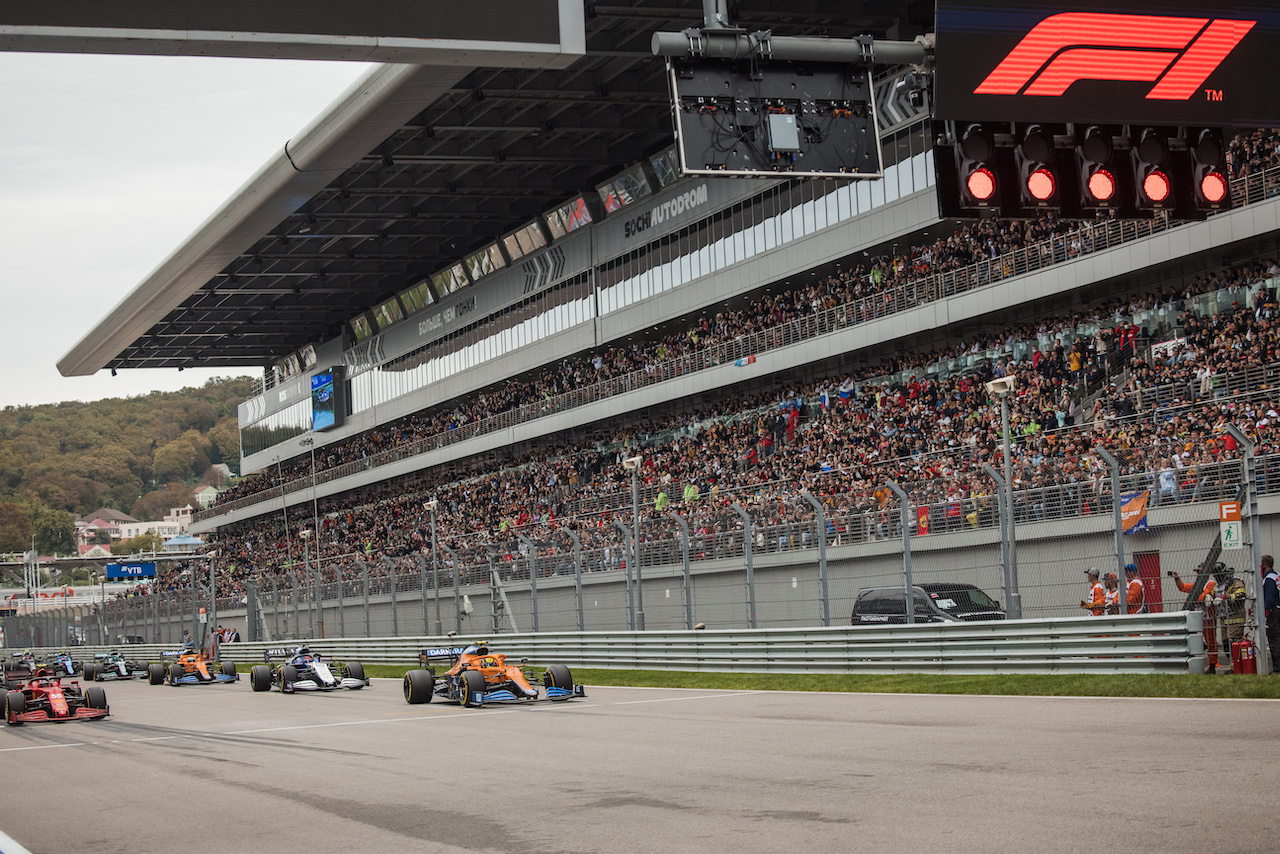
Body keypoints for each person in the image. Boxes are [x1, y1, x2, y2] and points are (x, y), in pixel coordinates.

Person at [1171, 564, 1219, 673]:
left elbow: (1204, 596)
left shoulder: (1210, 583)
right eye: (1197, 573)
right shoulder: (1197, 585)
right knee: (1193, 639)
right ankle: (1198, 655)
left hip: (1208, 618)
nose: (1198, 575)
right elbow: (1182, 587)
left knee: (1211, 642)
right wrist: (1177, 578)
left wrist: (1192, 598)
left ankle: (1212, 665)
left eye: (1200, 573)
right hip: (1197, 618)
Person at [1220, 567, 1247, 654]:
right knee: (1225, 642)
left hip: (1235, 615)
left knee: (1234, 640)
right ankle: (1232, 663)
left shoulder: (1236, 582)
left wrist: (1227, 596)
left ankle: (1237, 664)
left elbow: (1241, 596)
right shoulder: (1218, 585)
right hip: (1223, 616)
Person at [1263, 555, 1280, 672]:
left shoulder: (1269, 579)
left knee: (1274, 639)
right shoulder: (1276, 576)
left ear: (1264, 565)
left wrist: (1265, 611)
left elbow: (1269, 597)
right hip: (1277, 609)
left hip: (1273, 611)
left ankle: (1277, 668)